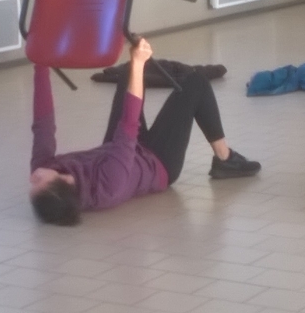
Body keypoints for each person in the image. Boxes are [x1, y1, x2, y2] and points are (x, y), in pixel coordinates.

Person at [30, 37, 261, 225]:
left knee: (127, 74)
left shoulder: (45, 166)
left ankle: (137, 67)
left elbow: (43, 126)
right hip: (157, 163)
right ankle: (224, 158)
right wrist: (139, 65)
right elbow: (128, 125)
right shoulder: (108, 186)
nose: (33, 177)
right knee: (196, 82)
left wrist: (40, 65)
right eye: (39, 182)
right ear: (63, 184)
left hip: (117, 149)